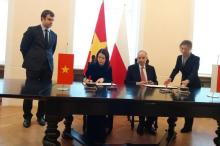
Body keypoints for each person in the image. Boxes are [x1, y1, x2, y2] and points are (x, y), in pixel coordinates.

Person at [20, 10, 57, 128]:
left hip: (48, 69)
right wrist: (31, 60)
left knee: (45, 94)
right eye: (49, 19)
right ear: (42, 18)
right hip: (33, 68)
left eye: (52, 20)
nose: (51, 22)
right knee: (29, 93)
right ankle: (27, 117)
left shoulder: (54, 35)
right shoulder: (32, 31)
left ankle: (41, 115)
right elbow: (23, 47)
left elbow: (51, 51)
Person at [164, 40, 201, 133]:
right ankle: (172, 124)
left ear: (190, 48)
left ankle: (188, 127)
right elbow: (176, 69)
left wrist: (188, 80)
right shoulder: (179, 57)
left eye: (186, 49)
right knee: (180, 103)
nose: (183, 51)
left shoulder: (196, 58)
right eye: (182, 48)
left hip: (193, 84)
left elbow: (194, 72)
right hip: (183, 83)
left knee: (189, 106)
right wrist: (170, 78)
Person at [125, 50, 158, 135]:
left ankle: (148, 124)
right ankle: (141, 123)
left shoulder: (151, 68)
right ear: (137, 59)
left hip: (149, 94)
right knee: (142, 104)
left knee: (156, 105)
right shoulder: (131, 68)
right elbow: (126, 82)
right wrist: (137, 83)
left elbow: (156, 82)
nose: (141, 60)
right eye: (139, 58)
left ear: (147, 58)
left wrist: (152, 83)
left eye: (143, 58)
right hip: (136, 94)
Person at [83, 48, 112, 144]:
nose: (101, 60)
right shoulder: (92, 65)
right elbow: (86, 77)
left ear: (106, 59)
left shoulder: (108, 67)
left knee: (101, 112)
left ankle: (100, 136)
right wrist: (86, 80)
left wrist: (103, 79)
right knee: (92, 111)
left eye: (103, 58)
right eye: (99, 57)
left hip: (104, 94)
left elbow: (110, 80)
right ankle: (90, 135)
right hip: (92, 93)